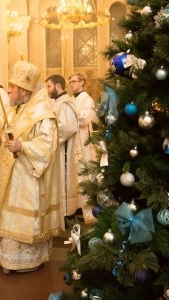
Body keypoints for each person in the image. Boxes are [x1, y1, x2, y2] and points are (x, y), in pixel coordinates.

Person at [0, 61, 61, 274]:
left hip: (28, 177)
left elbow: (48, 144)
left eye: (12, 87)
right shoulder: (16, 107)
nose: (8, 90)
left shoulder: (42, 112)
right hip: (10, 173)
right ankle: (8, 258)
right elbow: (10, 130)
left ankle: (27, 260)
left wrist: (23, 146)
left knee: (23, 218)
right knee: (7, 215)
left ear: (24, 91)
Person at [45, 75, 85, 226]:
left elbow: (68, 128)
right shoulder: (56, 102)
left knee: (64, 182)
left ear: (58, 86)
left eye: (49, 86)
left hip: (63, 151)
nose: (47, 90)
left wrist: (49, 135)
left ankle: (66, 214)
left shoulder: (65, 103)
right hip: (56, 150)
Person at [68, 73, 97, 222]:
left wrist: (70, 118)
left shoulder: (87, 99)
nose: (71, 84)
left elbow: (85, 119)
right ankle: (74, 207)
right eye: (70, 82)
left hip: (83, 141)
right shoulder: (70, 99)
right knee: (73, 173)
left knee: (84, 172)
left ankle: (88, 208)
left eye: (74, 81)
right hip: (73, 141)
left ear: (82, 82)